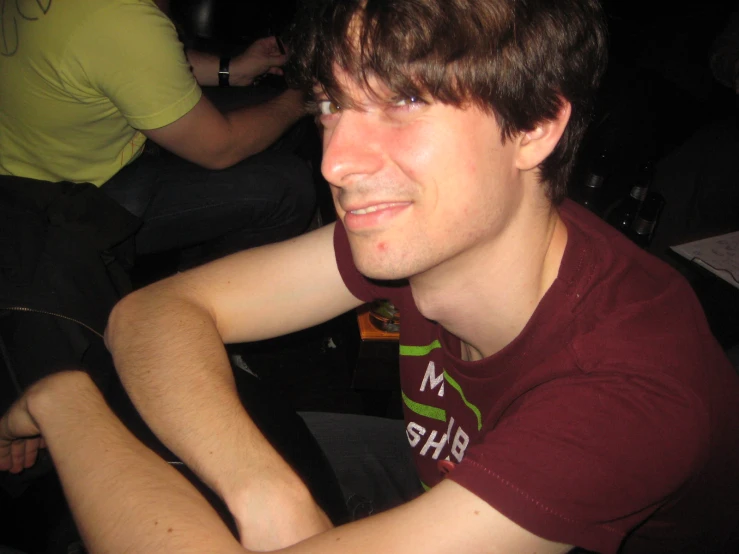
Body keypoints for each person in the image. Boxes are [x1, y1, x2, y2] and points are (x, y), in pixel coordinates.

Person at [3, 0, 739, 552]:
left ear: (534, 127)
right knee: (166, 447)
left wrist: (64, 402)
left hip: (540, 522)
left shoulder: (630, 394)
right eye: (331, 105)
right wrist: (268, 494)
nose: (334, 161)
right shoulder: (438, 233)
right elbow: (155, 313)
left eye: (404, 102)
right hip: (432, 473)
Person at [0, 0, 315, 267]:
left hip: (41, 150)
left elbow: (129, 59)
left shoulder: (109, 18)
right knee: (290, 188)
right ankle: (188, 304)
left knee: (270, 117)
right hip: (54, 203)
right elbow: (220, 148)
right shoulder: (121, 19)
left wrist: (232, 69)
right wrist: (305, 96)